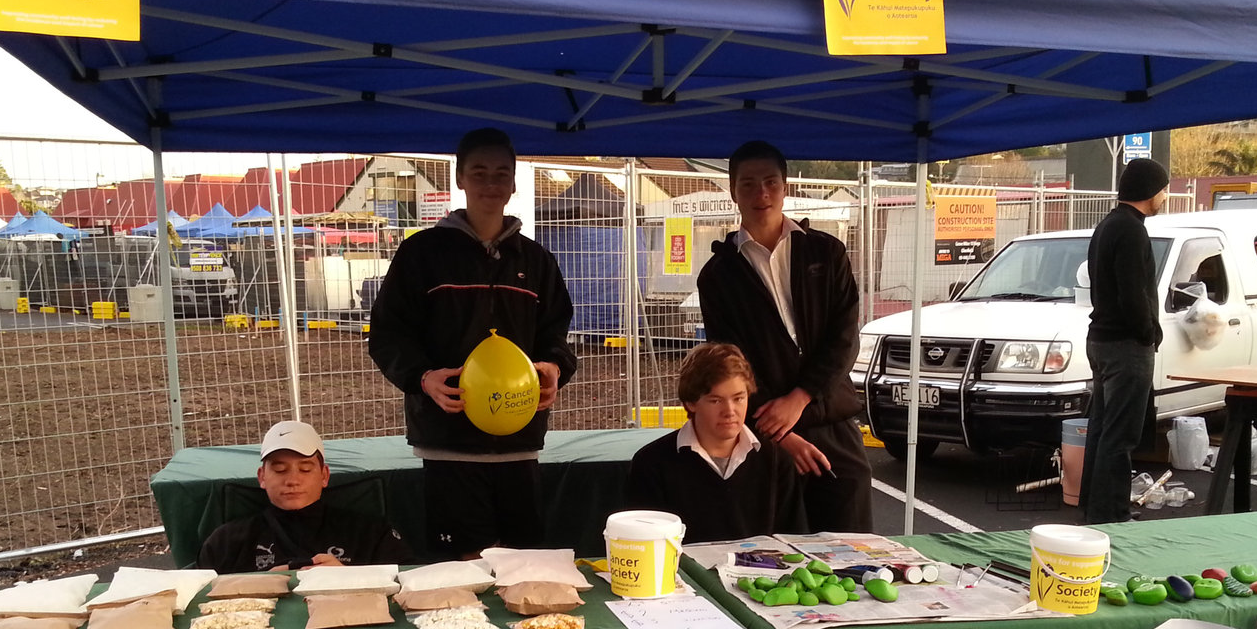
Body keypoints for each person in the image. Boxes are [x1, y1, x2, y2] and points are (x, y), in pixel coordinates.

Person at [368, 127, 577, 557]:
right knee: (464, 573)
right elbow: (388, 333)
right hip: (449, 446)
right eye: (479, 172)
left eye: (501, 173)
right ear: (460, 179)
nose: (490, 183)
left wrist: (555, 367)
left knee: (523, 567)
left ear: (514, 184)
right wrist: (423, 378)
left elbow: (556, 333)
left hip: (519, 445)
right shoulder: (422, 254)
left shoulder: (535, 260)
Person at [697, 139, 872, 532]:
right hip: (768, 433)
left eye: (771, 182)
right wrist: (780, 433)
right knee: (776, 556)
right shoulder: (719, 275)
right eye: (748, 184)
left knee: (852, 548)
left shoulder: (826, 253)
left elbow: (844, 337)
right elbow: (731, 363)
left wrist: (801, 397)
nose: (761, 194)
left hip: (833, 421)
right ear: (732, 191)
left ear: (785, 186)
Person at [625, 343, 806, 543]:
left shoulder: (775, 459)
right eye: (716, 401)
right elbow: (643, 544)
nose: (730, 411)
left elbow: (793, 542)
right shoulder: (652, 463)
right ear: (691, 403)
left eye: (738, 398)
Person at [1078, 157, 1170, 525]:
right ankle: (1112, 516)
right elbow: (1134, 293)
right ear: (1150, 191)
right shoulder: (1132, 230)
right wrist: (1148, 332)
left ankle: (1093, 507)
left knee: (1102, 429)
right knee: (1120, 435)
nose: (1165, 195)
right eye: (1163, 188)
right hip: (1124, 345)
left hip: (1101, 339)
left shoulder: (1107, 226)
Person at [196, 420, 410, 572]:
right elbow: (200, 599)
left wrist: (349, 578)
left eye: (305, 469)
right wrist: (259, 585)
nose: (292, 480)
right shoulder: (226, 542)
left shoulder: (371, 535)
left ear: (324, 475)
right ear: (262, 477)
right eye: (280, 470)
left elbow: (407, 585)